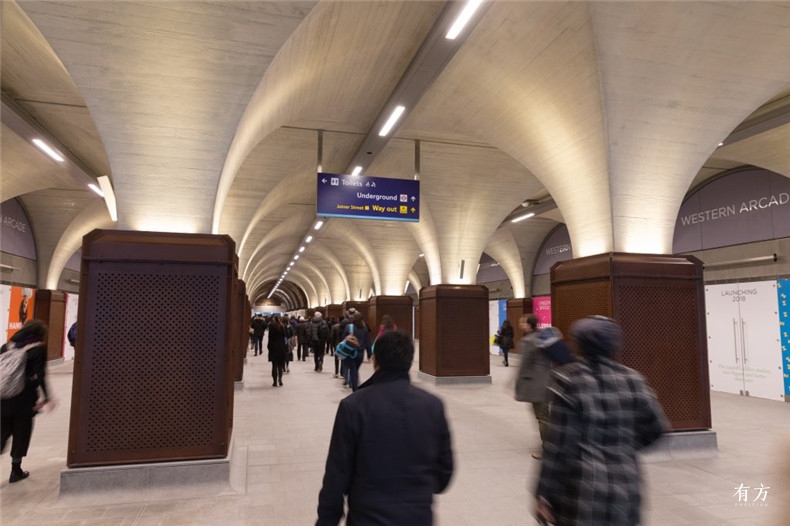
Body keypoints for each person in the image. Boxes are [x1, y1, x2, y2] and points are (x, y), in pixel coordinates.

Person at [534, 316, 669, 526]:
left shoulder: (568, 380)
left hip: (581, 491)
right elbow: (657, 429)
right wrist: (623, 447)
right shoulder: (633, 379)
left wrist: (543, 494)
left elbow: (559, 447)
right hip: (626, 486)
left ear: (579, 344)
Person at [317, 329, 454, 525]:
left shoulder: (353, 407)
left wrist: (326, 521)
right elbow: (444, 475)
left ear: (375, 361)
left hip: (367, 517)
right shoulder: (432, 405)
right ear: (409, 362)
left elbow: (336, 476)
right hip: (418, 517)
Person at [1, 319, 55, 483]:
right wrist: (47, 397)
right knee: (21, 432)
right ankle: (16, 470)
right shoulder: (38, 348)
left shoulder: (7, 346)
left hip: (4, 396)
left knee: (2, 431)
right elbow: (40, 374)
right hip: (25, 397)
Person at [341, 312, 371, 392]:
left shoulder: (348, 327)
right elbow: (368, 343)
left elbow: (343, 338)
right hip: (360, 354)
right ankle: (353, 383)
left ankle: (354, 388)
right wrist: (369, 354)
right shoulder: (365, 329)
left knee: (353, 370)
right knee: (355, 370)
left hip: (350, 352)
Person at [266, 316, 288, 387]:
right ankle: (280, 379)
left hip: (273, 347)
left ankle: (275, 381)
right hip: (281, 348)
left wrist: (269, 347)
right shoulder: (282, 326)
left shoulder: (271, 327)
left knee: (274, 365)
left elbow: (270, 338)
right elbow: (285, 336)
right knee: (280, 365)